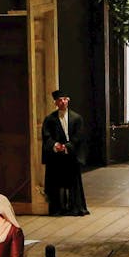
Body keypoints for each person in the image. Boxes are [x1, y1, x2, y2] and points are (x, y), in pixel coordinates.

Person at [41, 88, 90, 216]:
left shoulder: (77, 118)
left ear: (68, 100)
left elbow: (79, 136)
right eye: (59, 100)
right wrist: (55, 145)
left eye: (64, 99)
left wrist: (67, 146)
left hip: (71, 153)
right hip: (56, 155)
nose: (62, 102)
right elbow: (46, 136)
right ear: (56, 103)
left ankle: (76, 208)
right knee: (56, 183)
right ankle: (57, 208)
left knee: (74, 182)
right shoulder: (49, 119)